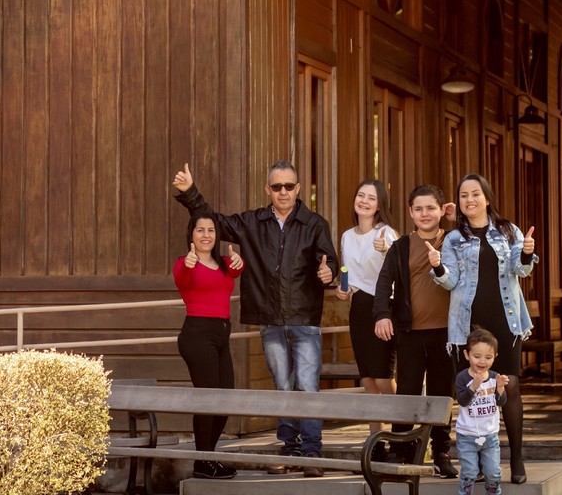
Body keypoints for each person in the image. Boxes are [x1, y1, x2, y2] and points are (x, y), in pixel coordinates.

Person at [172, 161, 337, 477]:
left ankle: (312, 452)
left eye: (289, 186)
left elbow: (331, 260)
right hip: (270, 320)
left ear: (298, 188)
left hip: (304, 318)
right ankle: (290, 449)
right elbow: (214, 222)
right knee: (282, 386)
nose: (283, 192)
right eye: (277, 187)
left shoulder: (315, 224)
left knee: (307, 385)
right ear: (268, 190)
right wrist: (190, 192)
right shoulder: (252, 222)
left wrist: (330, 272)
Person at [429, 173, 536, 484]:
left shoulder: (508, 231)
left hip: (506, 319)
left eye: (475, 193)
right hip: (468, 322)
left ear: (487, 198)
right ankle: (475, 464)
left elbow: (521, 270)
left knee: (510, 386)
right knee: (474, 391)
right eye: (464, 195)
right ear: (459, 202)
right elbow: (449, 281)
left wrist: (526, 251)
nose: (470, 199)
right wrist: (437, 265)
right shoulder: (453, 238)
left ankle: (516, 458)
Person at [373, 184, 458, 478]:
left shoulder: (455, 240)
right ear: (410, 212)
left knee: (441, 394)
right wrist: (382, 315)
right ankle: (401, 449)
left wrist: (457, 218)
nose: (425, 214)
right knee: (407, 392)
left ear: (442, 210)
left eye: (431, 208)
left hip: (447, 332)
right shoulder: (401, 247)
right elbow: (384, 282)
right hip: (410, 332)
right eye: (418, 209)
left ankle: (441, 452)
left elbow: (479, 233)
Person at [173, 215, 244, 480]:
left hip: (221, 337)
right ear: (191, 235)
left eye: (211, 230)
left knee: (225, 400)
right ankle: (203, 461)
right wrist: (189, 265)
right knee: (207, 398)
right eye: (200, 230)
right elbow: (182, 279)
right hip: (197, 336)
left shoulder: (224, 263)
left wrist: (239, 261)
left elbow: (237, 270)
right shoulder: (184, 263)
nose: (206, 235)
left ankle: (208, 457)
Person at [334, 179, 397, 457]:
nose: (364, 201)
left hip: (382, 308)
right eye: (361, 195)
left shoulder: (387, 233)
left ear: (380, 205)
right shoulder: (347, 236)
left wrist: (386, 249)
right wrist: (343, 289)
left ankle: (405, 430)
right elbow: (349, 275)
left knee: (383, 378)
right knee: (369, 380)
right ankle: (377, 442)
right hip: (358, 308)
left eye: (371, 198)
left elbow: (397, 271)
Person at [454, 328, 509, 495]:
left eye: (488, 357)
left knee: (493, 472)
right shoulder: (462, 377)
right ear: (467, 355)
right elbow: (462, 401)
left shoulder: (494, 377)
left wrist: (500, 387)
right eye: (477, 356)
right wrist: (473, 386)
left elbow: (501, 402)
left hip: (490, 434)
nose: (482, 361)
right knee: (469, 472)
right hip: (467, 434)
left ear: (495, 357)